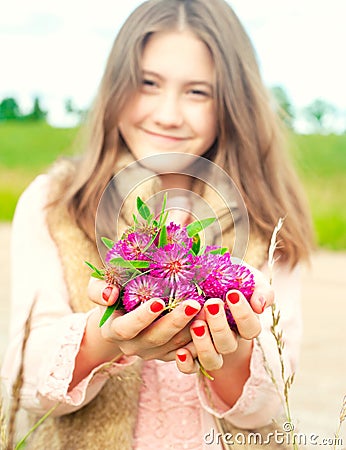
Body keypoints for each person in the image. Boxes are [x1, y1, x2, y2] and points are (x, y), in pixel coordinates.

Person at [1, 0, 314, 449]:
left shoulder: (268, 217)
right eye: (148, 83)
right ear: (116, 86)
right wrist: (105, 337)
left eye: (197, 92)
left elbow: (269, 405)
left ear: (233, 103)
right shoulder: (55, 202)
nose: (168, 114)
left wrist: (230, 350)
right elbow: (26, 379)